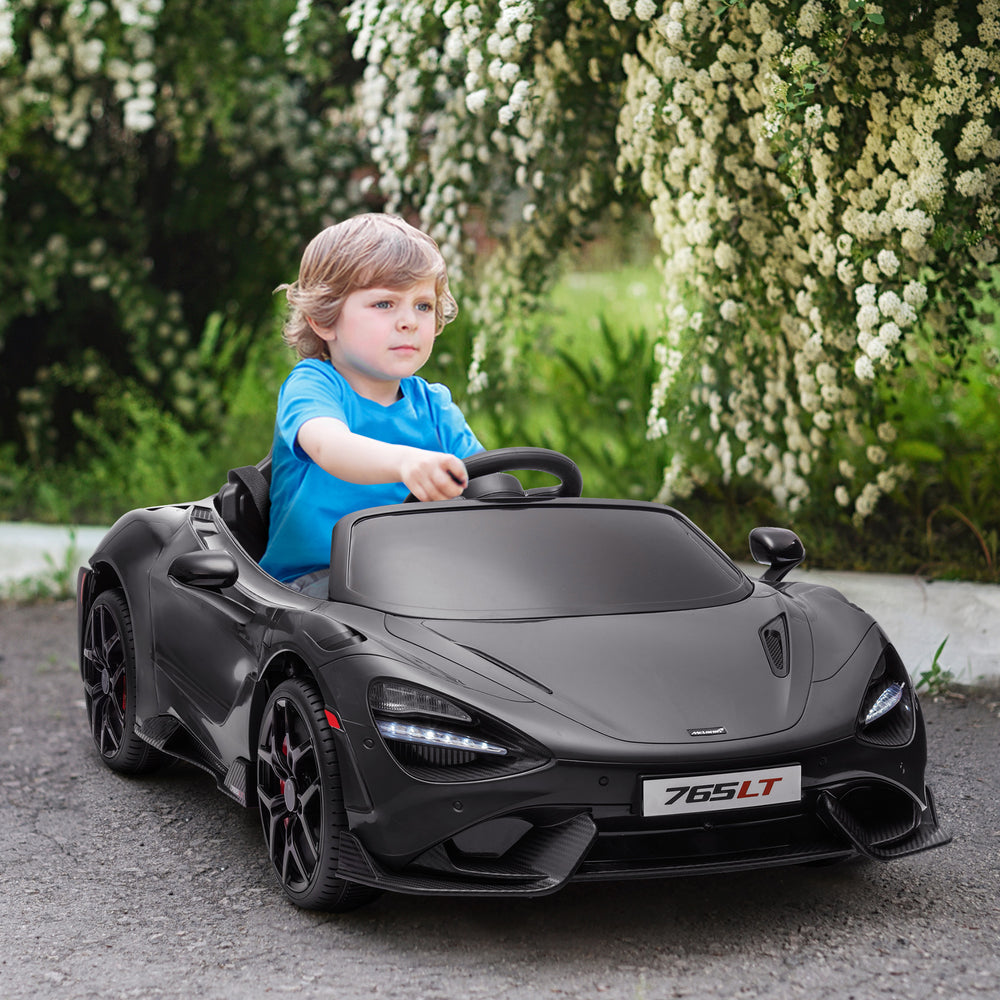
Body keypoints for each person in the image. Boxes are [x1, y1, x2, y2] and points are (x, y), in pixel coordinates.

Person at [259, 213, 484, 592]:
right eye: (384, 304)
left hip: (418, 578)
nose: (409, 321)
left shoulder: (435, 405)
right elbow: (331, 446)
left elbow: (483, 478)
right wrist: (405, 462)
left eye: (423, 306)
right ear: (323, 319)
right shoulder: (314, 386)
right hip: (315, 583)